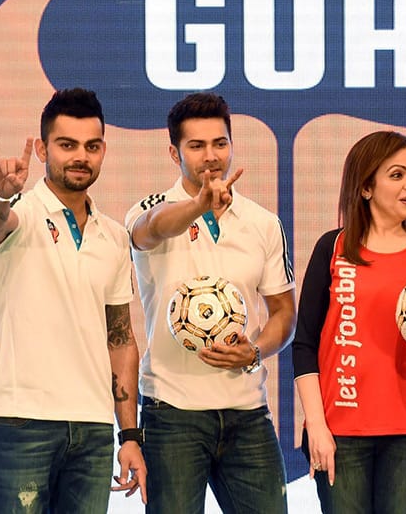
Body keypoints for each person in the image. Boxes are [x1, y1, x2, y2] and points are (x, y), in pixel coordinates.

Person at [0, 88, 146, 512]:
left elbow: (120, 340)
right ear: (41, 148)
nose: (80, 157)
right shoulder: (22, 212)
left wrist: (129, 435)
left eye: (91, 146)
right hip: (23, 422)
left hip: (92, 429)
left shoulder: (113, 235)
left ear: (103, 150)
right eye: (66, 145)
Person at [126, 92, 296, 513]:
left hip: (247, 413)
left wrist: (255, 349)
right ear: (174, 152)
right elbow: (150, 230)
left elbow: (284, 313)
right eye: (196, 146)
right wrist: (198, 204)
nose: (211, 156)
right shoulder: (150, 210)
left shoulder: (262, 223)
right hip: (172, 414)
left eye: (220, 143)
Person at [292, 131, 406, 514]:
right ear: (366, 186)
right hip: (341, 433)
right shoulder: (332, 248)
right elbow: (304, 345)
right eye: (397, 175)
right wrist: (316, 427)